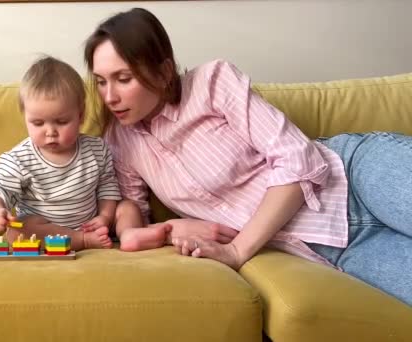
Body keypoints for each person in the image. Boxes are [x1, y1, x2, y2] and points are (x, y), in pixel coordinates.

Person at [83, 7, 412, 305]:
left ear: (164, 71)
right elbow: (134, 211)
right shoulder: (120, 140)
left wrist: (237, 250)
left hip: (357, 175)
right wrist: (166, 229)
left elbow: (299, 159)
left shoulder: (213, 83)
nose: (110, 96)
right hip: (334, 247)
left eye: (123, 79)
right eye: (100, 82)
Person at [0, 56, 125, 251]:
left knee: (128, 208)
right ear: (25, 117)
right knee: (17, 232)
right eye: (38, 123)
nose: (50, 132)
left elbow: (108, 187)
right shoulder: (18, 159)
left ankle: (131, 234)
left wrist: (105, 217)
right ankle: (82, 240)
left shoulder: (97, 149)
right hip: (45, 230)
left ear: (80, 115)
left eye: (62, 121)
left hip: (92, 224)